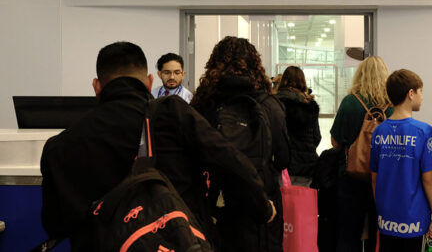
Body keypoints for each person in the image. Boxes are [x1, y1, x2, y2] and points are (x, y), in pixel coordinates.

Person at [40, 41, 276, 251]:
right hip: (180, 241)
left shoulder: (58, 147)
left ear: (97, 86)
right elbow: (230, 161)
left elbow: (55, 224)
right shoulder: (172, 113)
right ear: (149, 81)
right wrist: (263, 208)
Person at [190, 36, 290, 252]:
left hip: (215, 202)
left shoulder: (202, 104)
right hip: (262, 204)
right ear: (256, 64)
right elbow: (283, 159)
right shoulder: (269, 105)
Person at [371, 69, 432, 251]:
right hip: (414, 219)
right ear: (411, 93)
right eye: (421, 91)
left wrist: (380, 210)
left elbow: (374, 177)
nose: (422, 97)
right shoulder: (424, 132)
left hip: (386, 217)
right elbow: (429, 179)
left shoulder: (378, 132)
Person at [330, 56, 393, 252]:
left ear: (360, 75)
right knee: (380, 231)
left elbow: (335, 142)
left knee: (349, 233)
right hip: (384, 178)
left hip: (350, 176)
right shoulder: (391, 106)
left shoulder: (350, 102)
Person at [276, 66, 321, 187]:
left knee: (282, 203)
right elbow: (317, 137)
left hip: (281, 166)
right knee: (301, 203)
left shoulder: (275, 103)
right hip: (306, 167)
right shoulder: (310, 105)